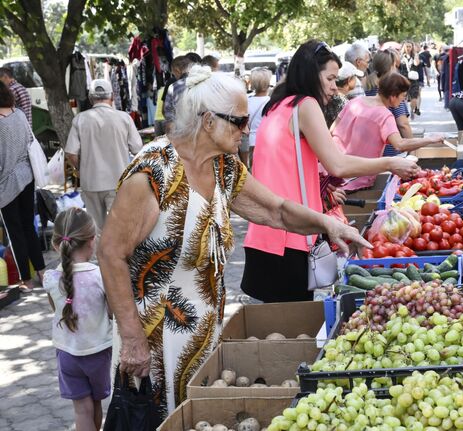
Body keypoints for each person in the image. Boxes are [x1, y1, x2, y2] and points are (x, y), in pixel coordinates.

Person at [97, 64, 370, 417]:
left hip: (205, 331)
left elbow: (277, 211)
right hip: (155, 340)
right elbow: (110, 254)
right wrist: (133, 339)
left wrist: (328, 225)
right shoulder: (153, 172)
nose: (247, 129)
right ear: (208, 121)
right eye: (239, 121)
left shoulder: (223, 167)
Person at [241, 40, 418, 303]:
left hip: (266, 235)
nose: (335, 87)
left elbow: (288, 165)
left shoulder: (278, 105)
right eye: (331, 78)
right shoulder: (305, 104)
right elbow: (338, 164)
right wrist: (391, 163)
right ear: (312, 75)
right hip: (291, 236)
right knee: (295, 329)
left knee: (280, 326)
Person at [43, 208, 111, 431]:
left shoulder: (51, 278)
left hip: (67, 354)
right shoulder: (99, 275)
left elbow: (57, 308)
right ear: (92, 241)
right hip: (98, 353)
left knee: (81, 410)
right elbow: (111, 312)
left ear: (56, 244)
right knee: (96, 404)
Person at [332, 72, 443, 191]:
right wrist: (430, 139)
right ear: (393, 96)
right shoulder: (385, 115)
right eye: (403, 96)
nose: (403, 100)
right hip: (356, 178)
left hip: (333, 169)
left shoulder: (355, 102)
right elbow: (400, 145)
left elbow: (332, 129)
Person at [65, 79, 143, 230]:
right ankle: (121, 254)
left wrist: (81, 169)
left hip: (91, 181)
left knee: (96, 228)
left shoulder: (80, 119)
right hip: (118, 180)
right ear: (112, 97)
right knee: (120, 226)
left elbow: (71, 153)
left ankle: (99, 254)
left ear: (90, 98)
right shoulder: (124, 118)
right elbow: (137, 148)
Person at [0, 80, 45, 292]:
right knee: (29, 226)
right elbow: (29, 141)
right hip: (27, 176)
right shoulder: (18, 114)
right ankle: (42, 272)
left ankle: (25, 280)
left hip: (5, 183)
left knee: (14, 231)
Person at [366, 49, 413, 142]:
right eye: (395, 66)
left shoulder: (366, 85)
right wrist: (412, 148)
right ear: (391, 67)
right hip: (390, 147)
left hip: (371, 145)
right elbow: (403, 124)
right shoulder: (393, 88)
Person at [242, 68, 272, 169]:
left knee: (254, 168)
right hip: (267, 140)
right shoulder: (271, 102)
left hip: (252, 140)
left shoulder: (246, 100)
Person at [157, 55, 194, 135]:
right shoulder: (203, 82)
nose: (175, 77)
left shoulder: (174, 87)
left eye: (174, 74)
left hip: (183, 133)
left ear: (177, 70)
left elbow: (168, 115)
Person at [322, 61, 363, 127]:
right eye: (355, 77)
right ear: (349, 80)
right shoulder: (344, 103)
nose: (357, 79)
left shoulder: (326, 97)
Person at [401, 41, 421, 116]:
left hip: (413, 81)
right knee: (403, 98)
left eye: (410, 46)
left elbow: (416, 63)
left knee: (414, 99)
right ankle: (405, 113)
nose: (408, 48)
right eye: (407, 46)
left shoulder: (415, 56)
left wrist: (415, 55)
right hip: (403, 80)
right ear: (404, 47)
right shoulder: (401, 57)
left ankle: (412, 110)